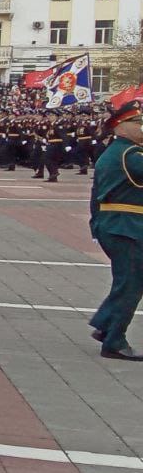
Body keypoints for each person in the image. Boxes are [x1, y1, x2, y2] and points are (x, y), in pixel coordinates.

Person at [87, 101, 143, 361]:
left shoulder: (113, 153)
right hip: (127, 226)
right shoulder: (131, 155)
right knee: (131, 283)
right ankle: (115, 340)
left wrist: (96, 225)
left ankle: (105, 325)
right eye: (138, 124)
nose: (142, 128)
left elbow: (94, 194)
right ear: (122, 127)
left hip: (114, 224)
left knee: (127, 280)